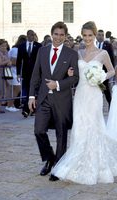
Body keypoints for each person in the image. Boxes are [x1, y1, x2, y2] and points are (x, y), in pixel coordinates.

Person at [51, 21, 116, 185]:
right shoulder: (77, 53)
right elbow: (73, 74)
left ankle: (95, 164)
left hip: (94, 95)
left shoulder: (102, 53)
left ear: (95, 36)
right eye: (85, 35)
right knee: (79, 127)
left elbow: (112, 71)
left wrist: (100, 77)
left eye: (90, 36)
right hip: (80, 94)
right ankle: (76, 164)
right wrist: (70, 72)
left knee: (93, 126)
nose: (87, 38)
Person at [28, 21, 79, 181]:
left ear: (65, 36)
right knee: (39, 130)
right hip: (43, 98)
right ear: (51, 34)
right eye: (56, 34)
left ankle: (59, 167)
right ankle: (50, 158)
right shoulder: (42, 51)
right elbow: (36, 74)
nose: (58, 37)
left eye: (61, 35)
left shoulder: (71, 54)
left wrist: (57, 84)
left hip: (62, 100)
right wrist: (31, 96)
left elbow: (75, 78)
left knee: (61, 134)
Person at [16, 30, 42, 118]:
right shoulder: (21, 46)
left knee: (34, 91)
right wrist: (18, 73)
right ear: (27, 36)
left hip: (36, 72)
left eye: (33, 35)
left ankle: (32, 109)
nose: (32, 36)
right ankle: (26, 110)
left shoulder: (38, 46)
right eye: (30, 35)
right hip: (26, 72)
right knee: (26, 91)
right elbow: (19, 60)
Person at [96, 29, 115, 107]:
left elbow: (112, 59)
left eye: (102, 35)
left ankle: (110, 105)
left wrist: (110, 71)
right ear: (96, 35)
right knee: (96, 90)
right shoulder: (94, 44)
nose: (101, 37)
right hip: (94, 73)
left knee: (105, 89)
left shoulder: (107, 45)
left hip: (104, 73)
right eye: (99, 35)